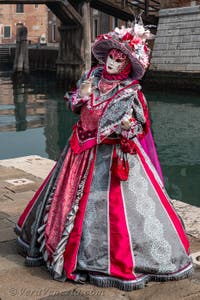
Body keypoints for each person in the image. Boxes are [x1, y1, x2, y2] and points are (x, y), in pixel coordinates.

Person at [15, 20, 193, 291]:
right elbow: (75, 105)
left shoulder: (130, 93)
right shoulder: (92, 78)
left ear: (126, 65)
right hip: (77, 152)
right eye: (110, 57)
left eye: (118, 60)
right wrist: (81, 96)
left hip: (110, 158)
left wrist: (126, 128)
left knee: (112, 213)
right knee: (62, 205)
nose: (111, 63)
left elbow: (139, 127)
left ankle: (104, 259)